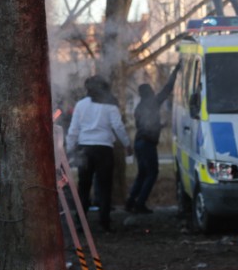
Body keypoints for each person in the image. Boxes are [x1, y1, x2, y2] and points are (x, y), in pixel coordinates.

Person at [66, 75, 132, 233]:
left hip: (85, 149)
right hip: (104, 149)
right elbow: (118, 126)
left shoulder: (81, 105)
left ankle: (80, 221)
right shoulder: (110, 106)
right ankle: (104, 221)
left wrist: (69, 149)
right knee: (104, 186)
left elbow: (73, 129)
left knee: (84, 186)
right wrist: (127, 144)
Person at [126, 63, 180, 214]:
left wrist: (160, 126)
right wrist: (175, 70)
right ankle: (140, 204)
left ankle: (131, 202)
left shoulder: (139, 108)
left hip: (139, 142)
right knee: (152, 173)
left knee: (142, 173)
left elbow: (144, 126)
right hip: (147, 144)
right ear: (149, 93)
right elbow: (167, 88)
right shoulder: (153, 103)